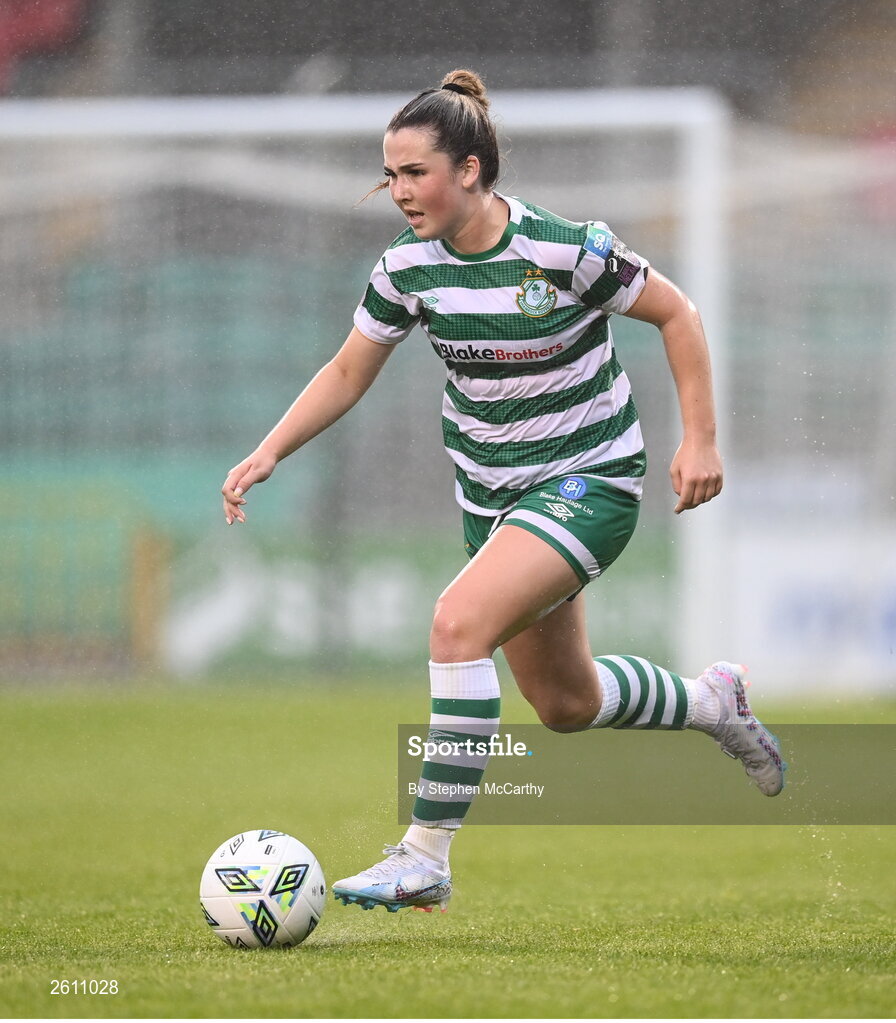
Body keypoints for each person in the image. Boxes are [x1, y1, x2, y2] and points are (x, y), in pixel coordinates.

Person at [221, 69, 785, 915]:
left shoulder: (563, 249)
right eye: (392, 174)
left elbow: (679, 314)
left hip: (589, 481)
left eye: (416, 172)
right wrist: (269, 450)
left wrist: (698, 438)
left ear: (472, 170)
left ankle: (424, 856)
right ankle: (712, 701)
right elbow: (347, 369)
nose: (400, 191)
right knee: (565, 701)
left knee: (456, 626)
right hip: (495, 501)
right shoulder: (407, 267)